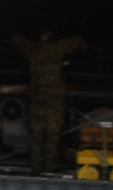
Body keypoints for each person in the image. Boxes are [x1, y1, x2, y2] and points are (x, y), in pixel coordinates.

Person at [9, 30, 85, 173]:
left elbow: (15, 39)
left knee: (38, 136)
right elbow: (78, 40)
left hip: (39, 100)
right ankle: (48, 169)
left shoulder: (33, 49)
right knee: (51, 136)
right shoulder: (57, 47)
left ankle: (37, 168)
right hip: (52, 100)